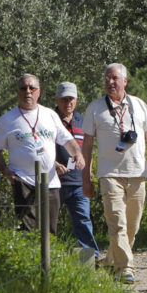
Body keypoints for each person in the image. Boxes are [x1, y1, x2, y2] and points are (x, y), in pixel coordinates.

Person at [82, 64, 147, 284]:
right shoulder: (95, 108)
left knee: (132, 225)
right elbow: (87, 145)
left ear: (125, 81)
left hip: (137, 172)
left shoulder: (138, 104)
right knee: (116, 221)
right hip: (109, 174)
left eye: (114, 78)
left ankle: (110, 260)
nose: (110, 82)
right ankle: (125, 268)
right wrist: (86, 178)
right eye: (107, 78)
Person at [0, 74, 84, 234]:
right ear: (18, 92)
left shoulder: (50, 115)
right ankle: (31, 259)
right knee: (29, 229)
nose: (28, 92)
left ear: (39, 92)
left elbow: (67, 139)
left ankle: (48, 259)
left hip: (50, 181)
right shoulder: (7, 120)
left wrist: (77, 153)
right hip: (23, 180)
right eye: (23, 88)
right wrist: (5, 171)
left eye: (32, 88)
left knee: (50, 230)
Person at [54, 82, 101, 261]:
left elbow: (89, 150)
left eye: (71, 99)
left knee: (83, 221)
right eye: (64, 99)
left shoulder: (83, 121)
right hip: (54, 182)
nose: (68, 103)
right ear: (57, 100)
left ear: (77, 100)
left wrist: (88, 175)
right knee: (50, 222)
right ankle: (49, 259)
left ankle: (90, 260)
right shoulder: (49, 119)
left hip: (78, 182)